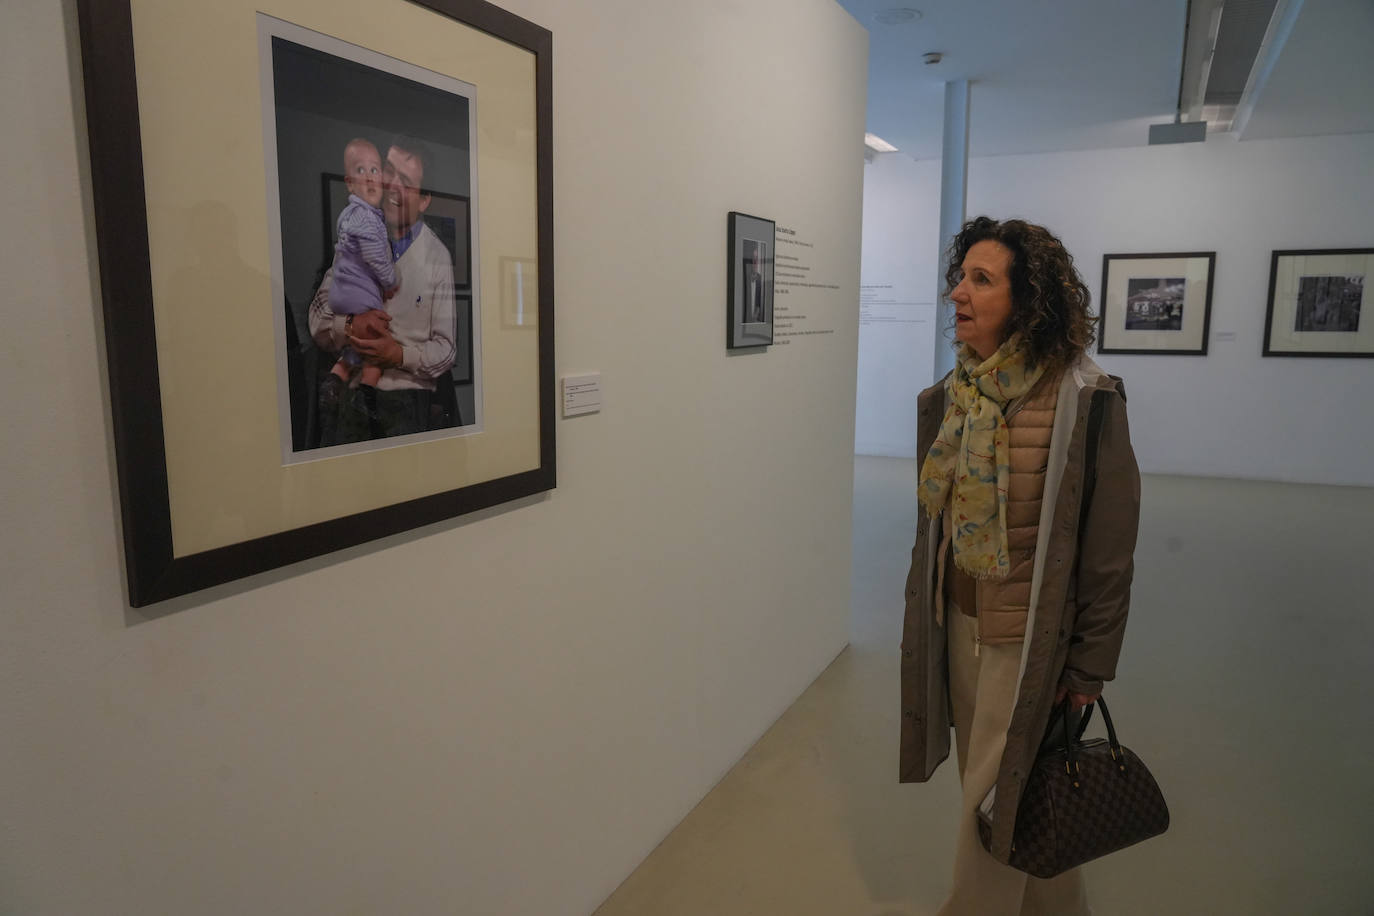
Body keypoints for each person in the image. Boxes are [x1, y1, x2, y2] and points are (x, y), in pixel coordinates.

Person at [898, 216, 1141, 915]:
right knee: (1018, 792)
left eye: (981, 279)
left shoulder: (1086, 398)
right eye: (959, 277)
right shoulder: (958, 395)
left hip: (1025, 647)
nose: (957, 294)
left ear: (1029, 299)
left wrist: (1089, 666)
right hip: (962, 629)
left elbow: (1108, 552)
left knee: (991, 805)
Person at [310, 136, 457, 444]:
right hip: (348, 414)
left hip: (408, 412)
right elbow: (317, 318)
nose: (392, 185)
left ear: (424, 200)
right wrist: (348, 326)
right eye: (388, 170)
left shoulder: (436, 257)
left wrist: (398, 354)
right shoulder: (355, 234)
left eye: (406, 181)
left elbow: (446, 348)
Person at [324, 138, 398, 393]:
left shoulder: (349, 215)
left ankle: (338, 375)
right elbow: (375, 258)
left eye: (374, 170)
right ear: (349, 184)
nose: (369, 177)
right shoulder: (367, 219)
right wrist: (390, 282)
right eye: (360, 170)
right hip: (358, 299)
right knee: (377, 346)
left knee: (355, 347)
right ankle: (368, 394)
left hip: (343, 295)